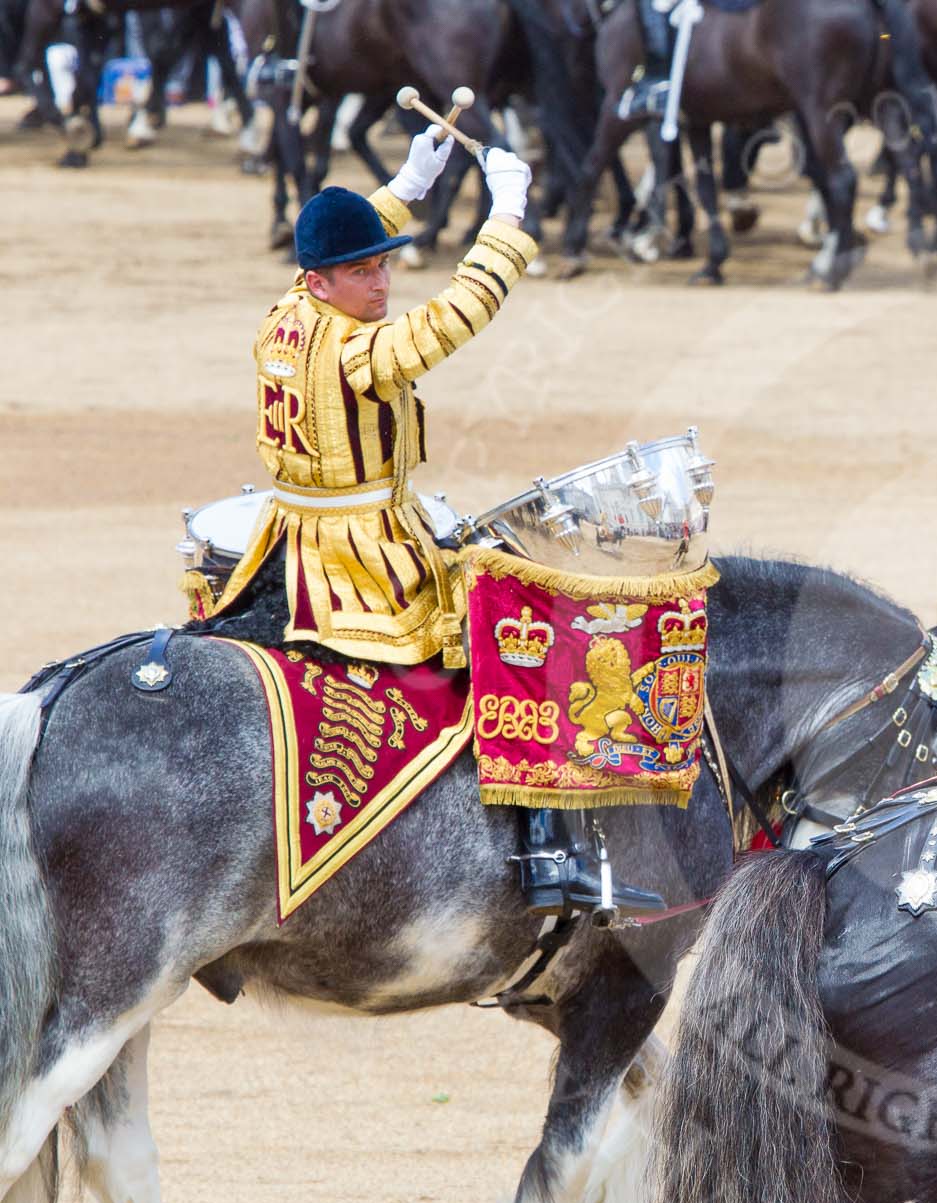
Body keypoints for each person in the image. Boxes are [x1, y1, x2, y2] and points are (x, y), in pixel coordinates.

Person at [203, 129, 643, 914]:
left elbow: (339, 236)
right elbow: (459, 312)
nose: (380, 283)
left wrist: (409, 181)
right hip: (363, 559)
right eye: (361, 271)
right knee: (516, 625)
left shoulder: (284, 315)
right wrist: (506, 213)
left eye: (382, 265)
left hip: (289, 537)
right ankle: (546, 849)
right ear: (322, 281)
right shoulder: (360, 353)